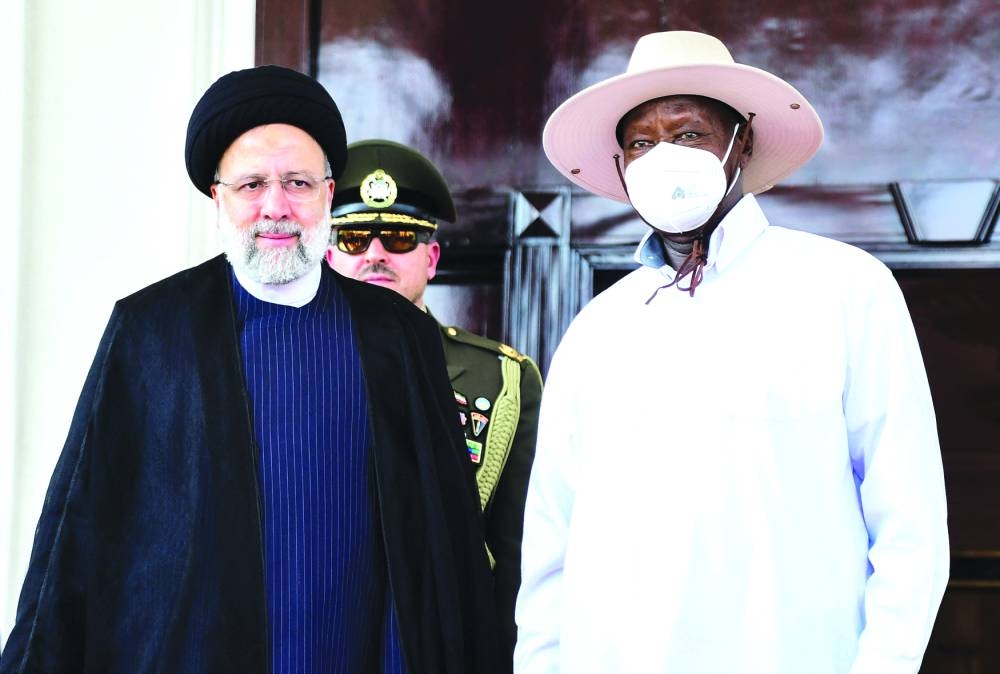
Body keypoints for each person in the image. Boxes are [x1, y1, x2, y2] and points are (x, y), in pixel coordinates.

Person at [1, 66, 500, 674]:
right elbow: (81, 535)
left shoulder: (398, 334)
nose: (276, 208)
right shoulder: (152, 330)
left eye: (296, 182)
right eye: (251, 185)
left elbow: (446, 547)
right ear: (218, 196)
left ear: (328, 192)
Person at [514, 31, 949, 674]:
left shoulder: (845, 290)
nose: (663, 156)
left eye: (688, 134)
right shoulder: (598, 327)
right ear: (621, 166)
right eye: (641, 142)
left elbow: (909, 522)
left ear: (739, 143)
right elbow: (552, 541)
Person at [326, 139, 543, 671]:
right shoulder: (281, 365)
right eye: (355, 237)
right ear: (330, 254)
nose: (375, 253)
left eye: (399, 236)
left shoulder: (502, 378)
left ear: (432, 256)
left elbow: (520, 560)